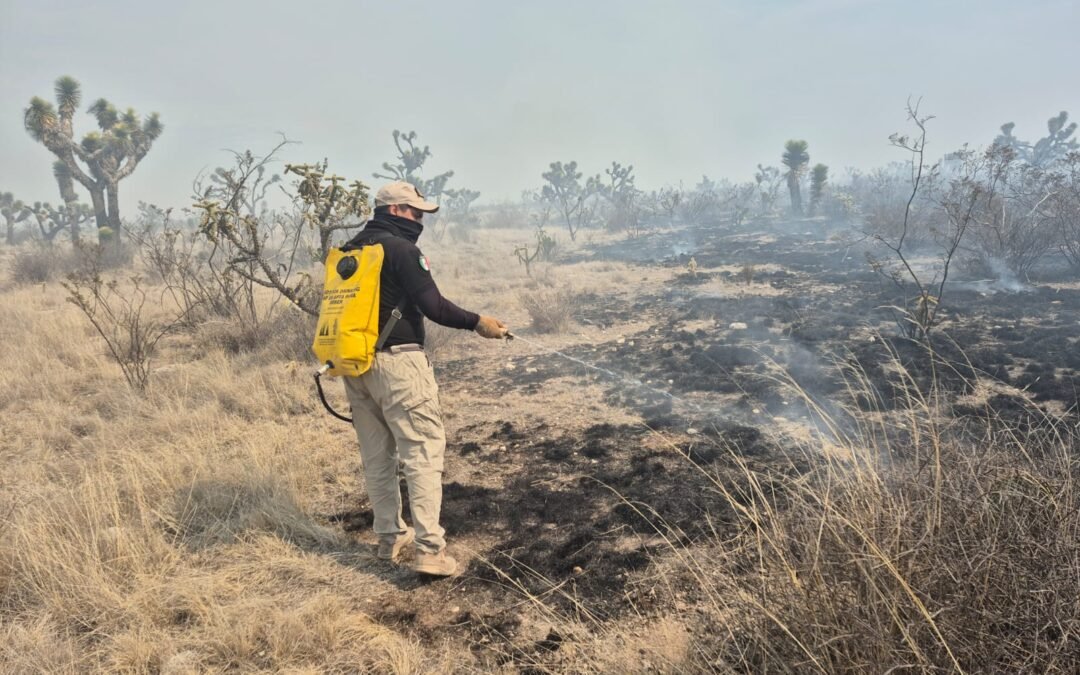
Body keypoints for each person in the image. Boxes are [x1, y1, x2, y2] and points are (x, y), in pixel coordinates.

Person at [341, 181, 509, 577]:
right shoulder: (402, 250)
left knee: (377, 457)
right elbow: (433, 307)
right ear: (396, 210)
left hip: (356, 367)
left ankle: (389, 539)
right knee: (423, 454)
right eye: (416, 212)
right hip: (400, 367)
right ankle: (431, 550)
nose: (420, 220)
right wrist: (478, 322)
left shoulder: (351, 249)